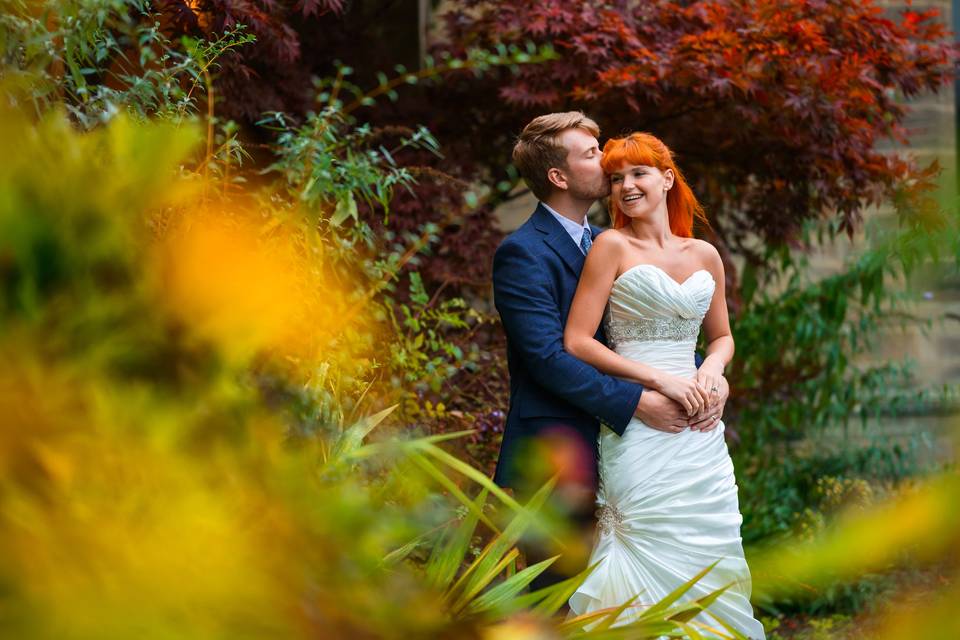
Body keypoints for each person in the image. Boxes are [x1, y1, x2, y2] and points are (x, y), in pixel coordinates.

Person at [491, 112, 728, 593]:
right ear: (558, 176)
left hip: (638, 442)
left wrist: (706, 377)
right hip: (560, 448)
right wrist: (640, 400)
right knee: (559, 593)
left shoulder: (609, 241)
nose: (605, 161)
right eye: (591, 154)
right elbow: (549, 357)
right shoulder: (522, 252)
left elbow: (643, 334)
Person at [563, 132, 764, 638]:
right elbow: (578, 342)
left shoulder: (705, 255)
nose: (626, 187)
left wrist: (711, 373)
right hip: (641, 419)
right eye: (615, 179)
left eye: (637, 174)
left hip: (700, 432)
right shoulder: (610, 246)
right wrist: (660, 382)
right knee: (641, 540)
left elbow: (721, 338)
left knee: (706, 544)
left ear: (667, 178)